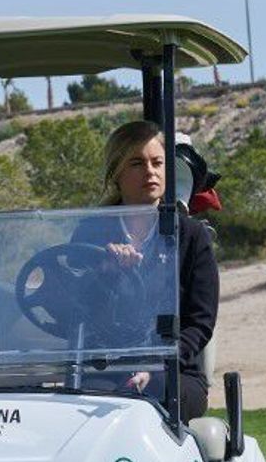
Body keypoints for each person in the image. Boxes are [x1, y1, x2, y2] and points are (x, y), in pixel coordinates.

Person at [69, 120, 219, 420]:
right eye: (137, 163)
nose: (150, 172)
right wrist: (106, 275)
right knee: (78, 408)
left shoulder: (191, 236)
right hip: (107, 367)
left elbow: (200, 322)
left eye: (157, 163)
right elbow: (77, 310)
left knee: (156, 398)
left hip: (174, 371)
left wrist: (156, 368)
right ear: (117, 174)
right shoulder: (90, 233)